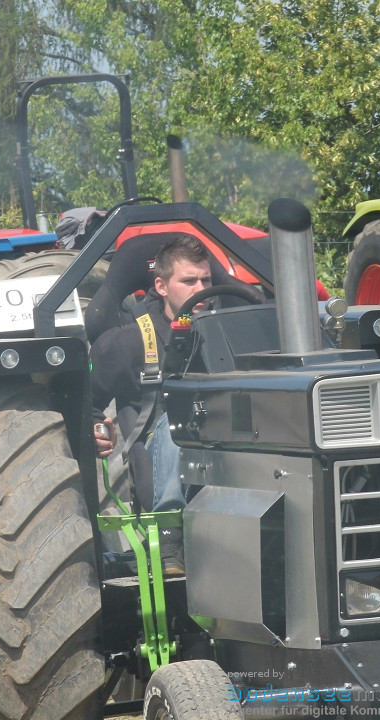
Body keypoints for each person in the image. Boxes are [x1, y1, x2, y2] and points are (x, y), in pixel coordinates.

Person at [91, 234, 216, 576]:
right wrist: (95, 429)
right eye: (188, 281)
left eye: (206, 279)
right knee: (181, 419)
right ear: (161, 286)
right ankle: (169, 542)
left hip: (229, 452)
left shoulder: (235, 331)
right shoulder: (127, 342)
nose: (201, 288)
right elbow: (84, 405)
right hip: (165, 458)